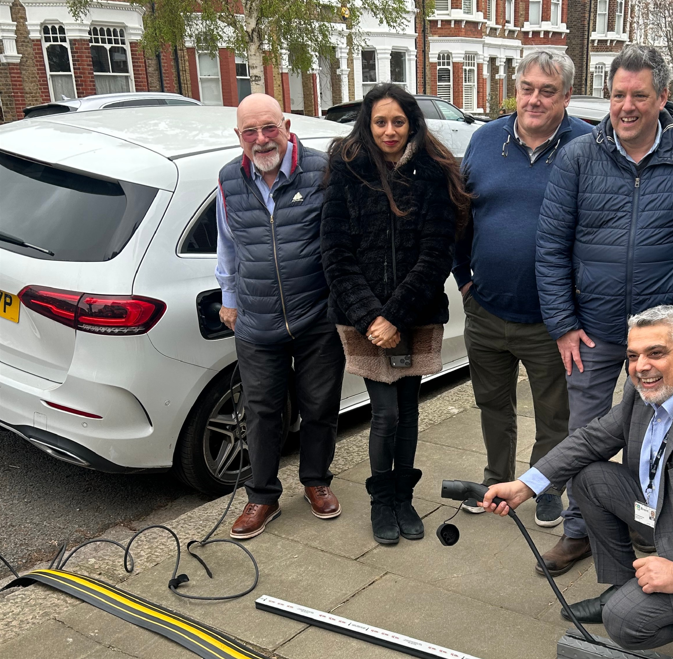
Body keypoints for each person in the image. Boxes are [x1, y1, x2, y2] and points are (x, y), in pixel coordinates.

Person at [481, 306, 673, 659]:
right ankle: (623, 586)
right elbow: (591, 439)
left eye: (656, 353)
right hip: (664, 512)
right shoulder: (647, 387)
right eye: (633, 356)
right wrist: (525, 486)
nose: (641, 366)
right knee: (589, 478)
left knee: (625, 621)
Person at [535, 44, 673, 574]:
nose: (626, 106)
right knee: (584, 436)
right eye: (618, 94)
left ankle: (653, 527)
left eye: (639, 95)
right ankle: (580, 531)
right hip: (593, 333)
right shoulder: (578, 155)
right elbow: (551, 246)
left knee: (660, 442)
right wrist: (564, 324)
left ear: (663, 97)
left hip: (662, 338)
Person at [452, 51, 591, 545]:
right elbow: (460, 215)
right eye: (527, 87)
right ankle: (494, 480)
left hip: (553, 320)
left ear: (567, 96)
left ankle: (544, 486)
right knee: (493, 405)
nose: (534, 99)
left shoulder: (589, 144)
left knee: (555, 414)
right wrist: (462, 279)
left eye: (547, 91)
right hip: (486, 309)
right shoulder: (486, 140)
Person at [321, 84, 467, 545]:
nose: (389, 131)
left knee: (408, 410)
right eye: (380, 122)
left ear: (412, 124)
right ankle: (381, 502)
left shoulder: (432, 173)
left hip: (416, 315)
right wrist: (371, 317)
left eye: (398, 122)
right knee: (384, 414)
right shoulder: (348, 170)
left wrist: (396, 316)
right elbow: (335, 252)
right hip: (361, 317)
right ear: (367, 123)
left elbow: (436, 253)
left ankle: (403, 499)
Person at [215, 93, 346, 539]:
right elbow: (228, 244)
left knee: (320, 408)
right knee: (262, 412)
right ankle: (262, 496)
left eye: (269, 127)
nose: (260, 139)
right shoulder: (229, 179)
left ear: (286, 125)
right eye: (249, 131)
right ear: (239, 136)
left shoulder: (322, 171)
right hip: (256, 320)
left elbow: (340, 239)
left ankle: (315, 482)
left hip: (316, 317)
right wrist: (228, 298)